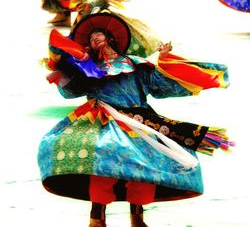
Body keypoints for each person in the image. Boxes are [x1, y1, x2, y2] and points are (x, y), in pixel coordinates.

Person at [38, 12, 233, 227]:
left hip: (139, 120)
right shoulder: (88, 70)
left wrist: (165, 61)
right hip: (102, 118)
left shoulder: (136, 65)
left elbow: (158, 85)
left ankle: (137, 217)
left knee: (143, 166)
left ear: (111, 39)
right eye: (92, 39)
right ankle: (96, 217)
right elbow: (70, 92)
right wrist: (61, 68)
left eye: (99, 36)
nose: (95, 40)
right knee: (100, 161)